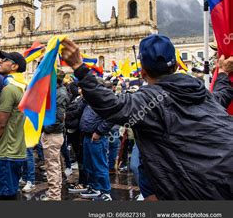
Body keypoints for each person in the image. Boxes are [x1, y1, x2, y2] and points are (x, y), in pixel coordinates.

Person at [61, 34, 233, 200]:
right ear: (174, 67)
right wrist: (224, 73)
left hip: (197, 192)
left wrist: (80, 68)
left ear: (142, 72)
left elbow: (111, 105)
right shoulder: (201, 93)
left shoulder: (149, 100)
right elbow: (222, 96)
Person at [0, 51, 27, 200]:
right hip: (15, 151)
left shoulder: (9, 90)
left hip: (6, 153)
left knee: (5, 195)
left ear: (14, 66)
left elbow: (1, 123)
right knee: (10, 193)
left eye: (4, 60)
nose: (0, 61)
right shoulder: (19, 88)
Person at [79, 79, 115, 201]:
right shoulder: (91, 99)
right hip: (88, 136)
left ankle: (105, 192)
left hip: (97, 138)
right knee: (89, 165)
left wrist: (99, 132)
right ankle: (95, 188)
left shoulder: (103, 100)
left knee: (100, 165)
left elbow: (111, 118)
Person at [40, 69, 70, 201]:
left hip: (52, 134)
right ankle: (54, 192)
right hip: (52, 133)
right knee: (54, 165)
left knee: (52, 166)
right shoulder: (56, 91)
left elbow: (58, 118)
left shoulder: (59, 93)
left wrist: (45, 129)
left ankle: (54, 195)